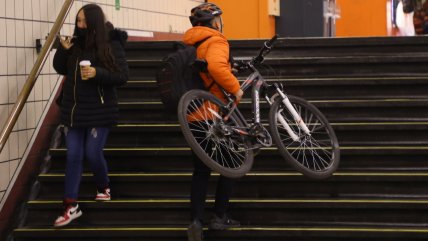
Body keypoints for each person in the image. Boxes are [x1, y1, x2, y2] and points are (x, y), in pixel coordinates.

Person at [52, 3, 129, 227]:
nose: (81, 25)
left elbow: (123, 75)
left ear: (95, 21)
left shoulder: (111, 43)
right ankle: (70, 206)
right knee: (73, 156)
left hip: (100, 111)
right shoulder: (75, 44)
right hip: (74, 111)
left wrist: (97, 73)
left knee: (92, 153)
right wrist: (63, 50)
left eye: (85, 21)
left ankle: (103, 186)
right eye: (78, 21)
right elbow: (61, 68)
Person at [183, 3, 243, 241]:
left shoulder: (189, 42)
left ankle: (196, 221)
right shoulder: (216, 40)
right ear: (214, 22)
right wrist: (236, 89)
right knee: (233, 164)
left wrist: (229, 68)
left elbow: (206, 68)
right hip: (212, 114)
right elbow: (217, 67)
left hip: (191, 114)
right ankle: (219, 216)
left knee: (200, 171)